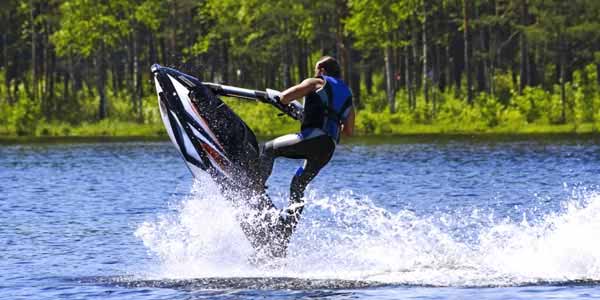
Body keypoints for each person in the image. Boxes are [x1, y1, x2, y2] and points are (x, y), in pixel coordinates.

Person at [260, 56, 355, 238]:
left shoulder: (315, 82)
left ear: (322, 70)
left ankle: (254, 189)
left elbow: (285, 97)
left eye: (316, 69)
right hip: (328, 148)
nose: (314, 72)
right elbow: (349, 130)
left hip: (312, 138)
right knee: (298, 185)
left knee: (268, 149)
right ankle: (287, 229)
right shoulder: (348, 96)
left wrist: (284, 102)